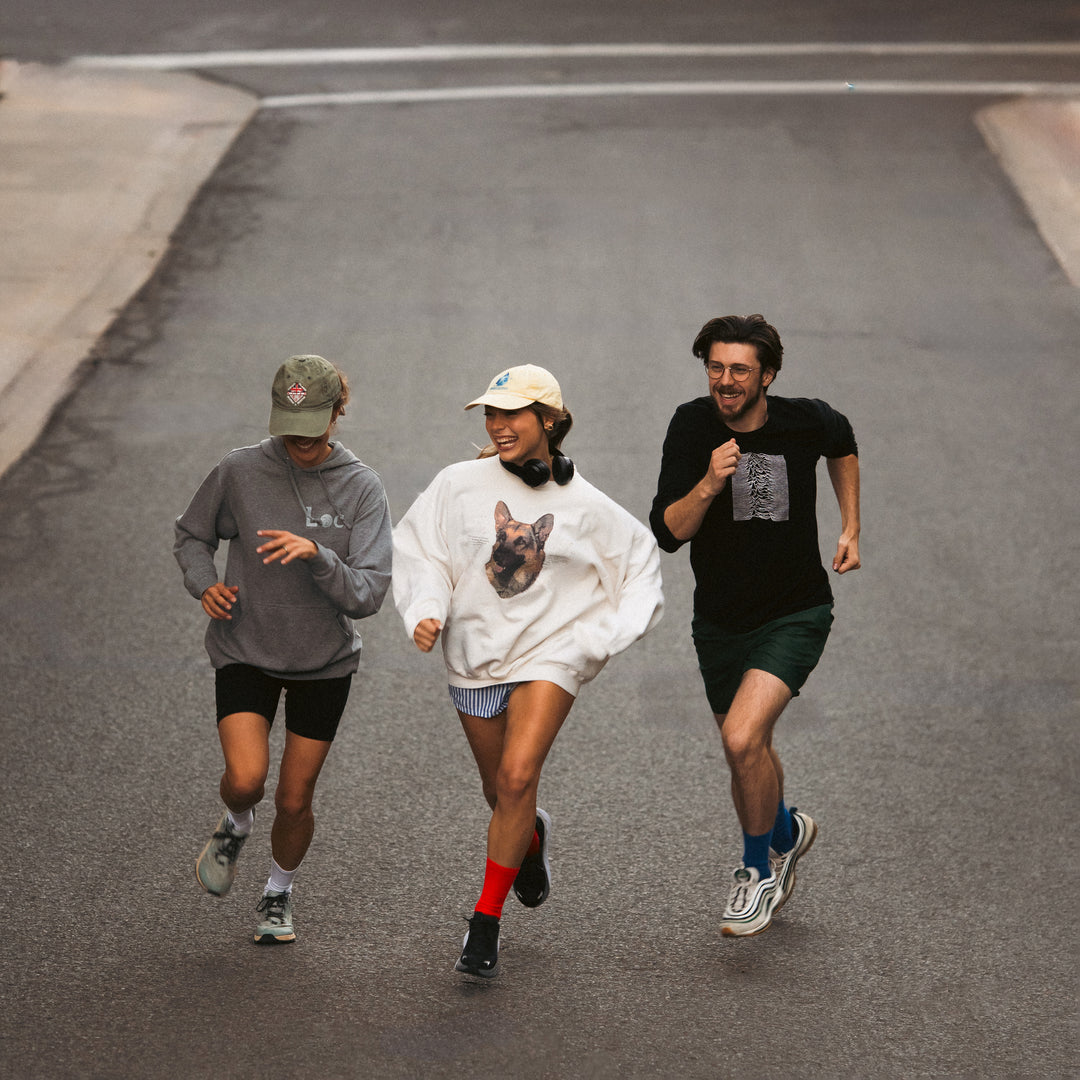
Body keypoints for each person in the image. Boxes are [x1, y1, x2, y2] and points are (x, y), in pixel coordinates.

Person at [393, 364, 663, 977]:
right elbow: (420, 550)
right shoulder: (458, 484)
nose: (497, 425)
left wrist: (596, 641)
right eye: (491, 414)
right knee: (499, 793)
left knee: (516, 778)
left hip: (551, 656)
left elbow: (641, 565)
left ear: (549, 420)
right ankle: (529, 839)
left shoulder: (586, 505)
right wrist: (426, 609)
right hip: (475, 656)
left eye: (512, 413)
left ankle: (484, 922)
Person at [650, 315, 860, 937]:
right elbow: (669, 532)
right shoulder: (691, 427)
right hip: (719, 622)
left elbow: (842, 441)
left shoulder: (804, 419)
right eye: (716, 367)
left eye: (740, 369)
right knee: (750, 749)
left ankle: (756, 874)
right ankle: (789, 832)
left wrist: (851, 525)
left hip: (796, 611)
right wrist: (711, 481)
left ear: (767, 375)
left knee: (742, 739)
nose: (725, 380)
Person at [174, 354, 392, 943]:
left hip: (324, 662)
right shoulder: (239, 471)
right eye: (288, 424)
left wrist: (318, 557)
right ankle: (236, 821)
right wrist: (206, 584)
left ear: (337, 412)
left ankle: (277, 895)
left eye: (313, 424)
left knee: (295, 800)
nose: (299, 439)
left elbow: (369, 591)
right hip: (245, 645)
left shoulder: (361, 487)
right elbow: (193, 534)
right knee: (247, 779)